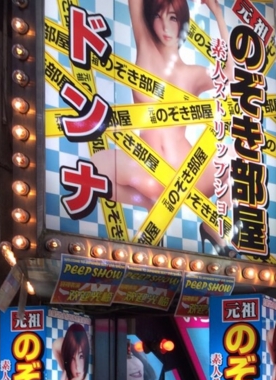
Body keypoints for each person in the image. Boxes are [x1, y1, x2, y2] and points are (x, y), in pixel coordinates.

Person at [90, 0, 231, 252]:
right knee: (94, 168)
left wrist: (218, 14)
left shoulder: (193, 74)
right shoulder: (146, 48)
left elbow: (231, 76)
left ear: (183, 23)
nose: (165, 26)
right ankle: (150, 203)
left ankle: (212, 226)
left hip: (188, 174)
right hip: (147, 170)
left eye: (173, 18)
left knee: (232, 159)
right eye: (159, 16)